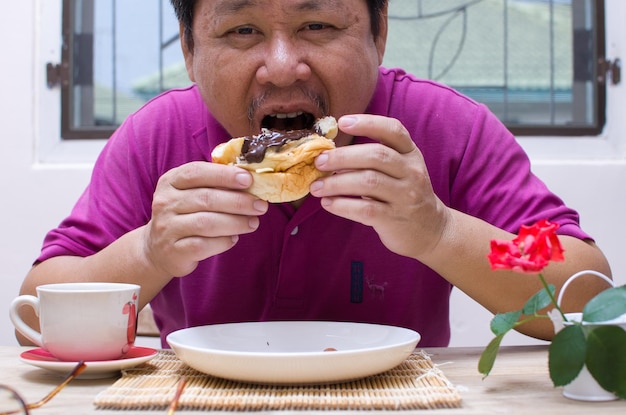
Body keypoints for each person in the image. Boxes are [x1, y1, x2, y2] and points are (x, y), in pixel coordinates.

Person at [18, 0, 611, 348]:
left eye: (319, 26)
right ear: (190, 48)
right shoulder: (159, 138)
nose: (281, 68)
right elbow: (35, 320)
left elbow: (585, 295)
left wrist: (438, 232)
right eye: (241, 30)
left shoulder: (444, 129)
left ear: (379, 33)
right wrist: (148, 252)